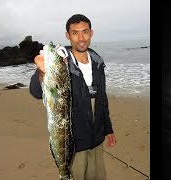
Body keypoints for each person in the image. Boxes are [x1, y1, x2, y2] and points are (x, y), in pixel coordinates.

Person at [29, 14, 116, 180]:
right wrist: (41, 73)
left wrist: (108, 129)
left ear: (91, 33)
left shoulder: (98, 61)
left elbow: (102, 99)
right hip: (73, 145)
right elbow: (36, 92)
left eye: (85, 32)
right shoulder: (59, 63)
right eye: (75, 33)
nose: (81, 38)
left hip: (97, 139)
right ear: (67, 35)